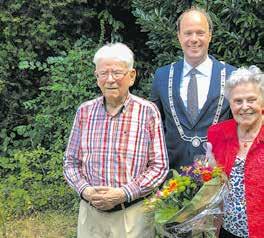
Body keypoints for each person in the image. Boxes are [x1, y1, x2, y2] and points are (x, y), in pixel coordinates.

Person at [63, 42, 169, 238]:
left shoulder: (147, 112)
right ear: (96, 78)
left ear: (131, 76)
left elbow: (159, 166)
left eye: (117, 73)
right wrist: (85, 191)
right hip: (91, 216)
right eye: (103, 73)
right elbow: (70, 163)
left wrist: (124, 193)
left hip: (132, 216)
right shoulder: (85, 111)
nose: (110, 80)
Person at [151, 7, 236, 171]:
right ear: (179, 36)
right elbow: (154, 126)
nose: (194, 39)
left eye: (200, 33)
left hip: (220, 178)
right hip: (171, 181)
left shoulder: (232, 75)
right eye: (188, 33)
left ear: (210, 35)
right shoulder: (162, 76)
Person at [208, 66, 264, 238]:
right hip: (227, 231)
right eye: (238, 101)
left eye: (251, 100)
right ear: (230, 103)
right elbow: (213, 181)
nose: (244, 107)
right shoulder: (217, 134)